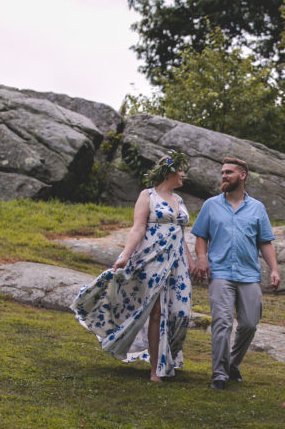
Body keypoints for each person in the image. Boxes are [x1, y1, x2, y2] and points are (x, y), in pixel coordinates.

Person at [71, 151, 195, 382]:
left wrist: (190, 262)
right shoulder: (147, 196)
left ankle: (167, 357)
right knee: (157, 312)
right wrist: (125, 255)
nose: (183, 175)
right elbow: (138, 228)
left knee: (180, 314)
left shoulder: (179, 200)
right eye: (180, 170)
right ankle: (156, 369)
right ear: (168, 172)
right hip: (152, 260)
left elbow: (180, 232)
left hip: (177, 264)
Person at [191, 156, 280, 390]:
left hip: (249, 274)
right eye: (222, 172)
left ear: (243, 176)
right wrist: (202, 258)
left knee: (250, 323)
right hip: (219, 272)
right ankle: (219, 374)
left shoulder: (257, 208)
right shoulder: (211, 205)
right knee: (222, 323)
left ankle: (232, 363)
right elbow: (201, 236)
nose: (224, 176)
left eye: (229, 172)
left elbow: (265, 242)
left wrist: (275, 270)